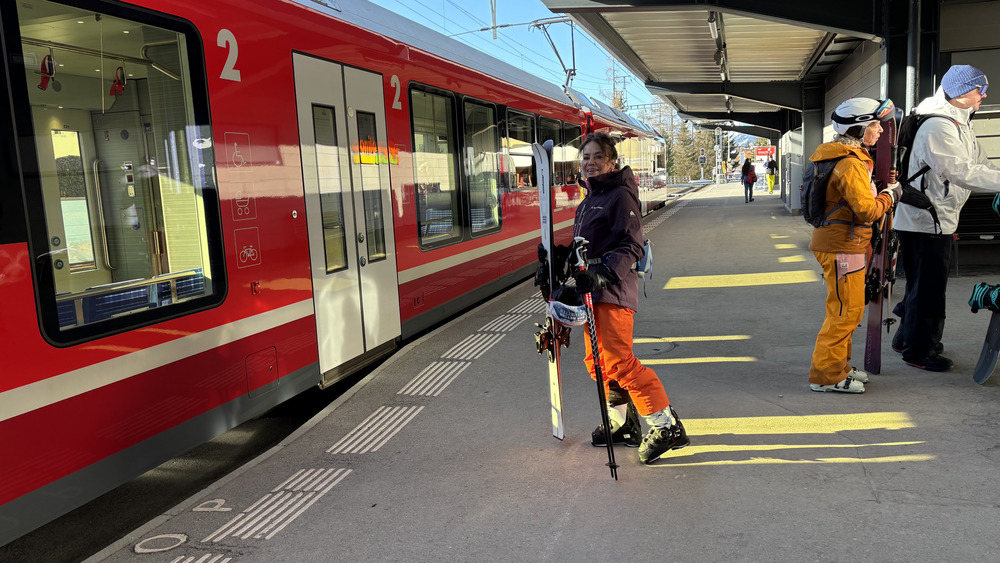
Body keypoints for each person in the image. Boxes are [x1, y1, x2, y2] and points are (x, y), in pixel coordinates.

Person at [545, 132, 688, 464]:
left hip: (612, 290)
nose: (590, 163)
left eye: (598, 157)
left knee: (620, 363)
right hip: (590, 292)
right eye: (585, 158)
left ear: (611, 162)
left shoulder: (621, 197)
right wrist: (556, 260)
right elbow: (585, 248)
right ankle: (622, 423)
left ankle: (666, 426)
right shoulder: (587, 201)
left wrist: (603, 274)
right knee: (598, 364)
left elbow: (631, 245)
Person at [891, 65, 1000, 371]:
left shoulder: (960, 122)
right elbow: (958, 171)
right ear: (963, 92)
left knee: (921, 285)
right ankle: (919, 351)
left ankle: (908, 336)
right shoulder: (938, 126)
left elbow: (980, 163)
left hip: (936, 217)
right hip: (926, 220)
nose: (984, 95)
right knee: (929, 289)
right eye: (980, 89)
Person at [808, 97, 901, 393]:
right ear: (859, 129)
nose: (881, 131)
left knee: (848, 308)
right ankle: (826, 375)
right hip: (842, 246)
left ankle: (840, 367)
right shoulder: (850, 163)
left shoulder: (842, 157)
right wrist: (891, 196)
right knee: (844, 312)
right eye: (875, 125)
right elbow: (867, 211)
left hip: (844, 243)